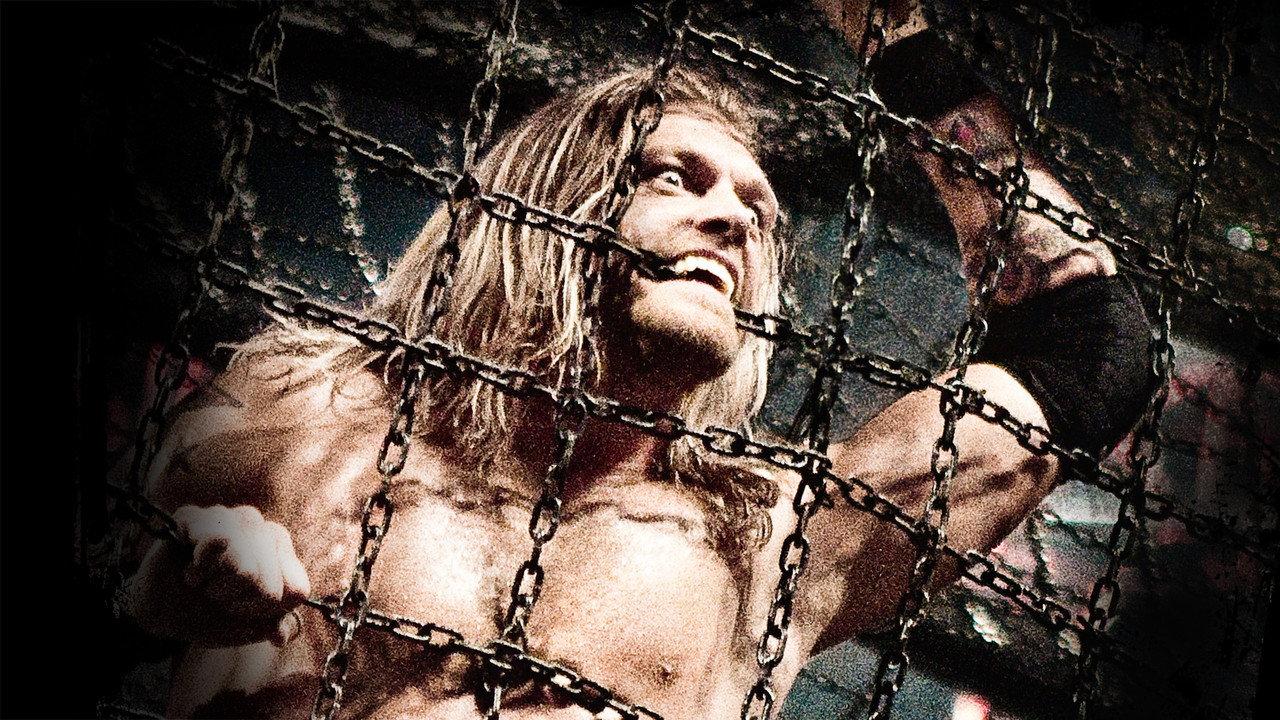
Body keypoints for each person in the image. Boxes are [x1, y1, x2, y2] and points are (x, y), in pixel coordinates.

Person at [122, 5, 1152, 718]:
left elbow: (1086, 344)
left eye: (757, 214)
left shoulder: (772, 537)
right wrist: (156, 589)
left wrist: (893, 36)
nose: (732, 220)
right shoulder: (308, 405)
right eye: (675, 178)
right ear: (555, 202)